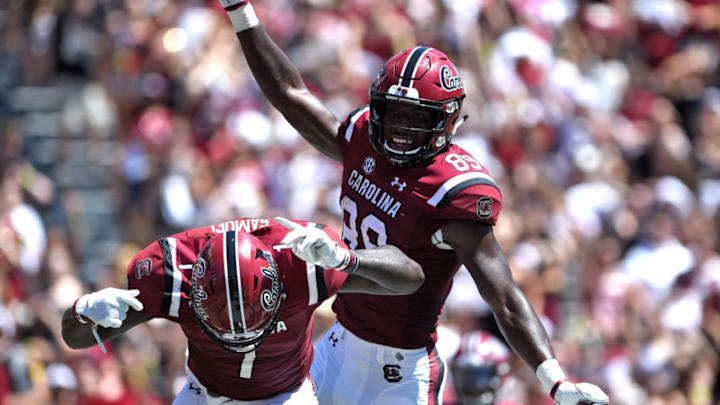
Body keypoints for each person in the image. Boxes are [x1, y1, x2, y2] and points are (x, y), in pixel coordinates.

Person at [217, 2, 610, 404]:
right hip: (334, 348)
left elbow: (505, 298)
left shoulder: (454, 189)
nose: (401, 129)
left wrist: (555, 382)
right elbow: (289, 93)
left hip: (401, 374)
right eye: (394, 112)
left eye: (416, 118)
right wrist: (238, 10)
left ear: (449, 121)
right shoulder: (362, 137)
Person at [61, 217, 424, 404]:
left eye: (251, 315)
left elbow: (412, 277)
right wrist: (83, 310)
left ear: (275, 285)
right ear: (195, 291)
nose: (239, 334)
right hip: (205, 394)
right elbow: (74, 338)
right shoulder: (169, 274)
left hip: (287, 395)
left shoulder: (302, 262)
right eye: (222, 317)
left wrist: (348, 259)